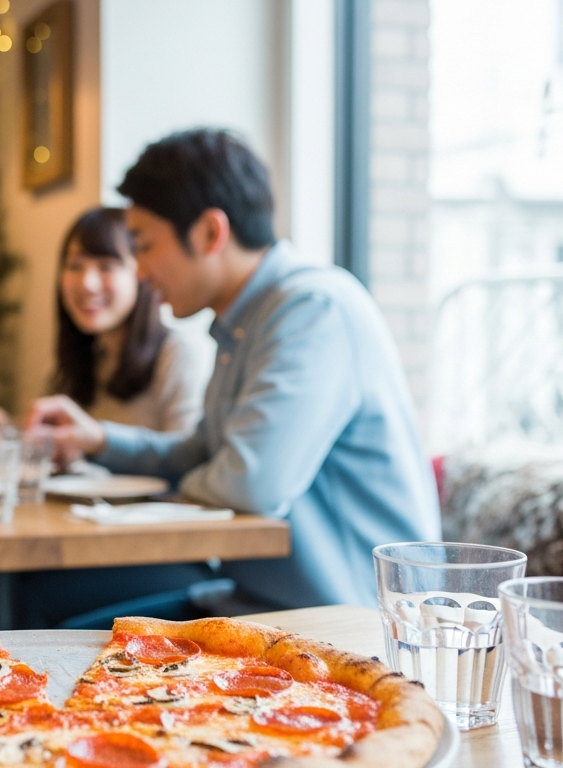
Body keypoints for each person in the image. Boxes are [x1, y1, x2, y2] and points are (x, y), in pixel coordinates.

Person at [30, 129, 441, 611]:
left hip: (348, 622)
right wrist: (98, 441)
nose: (140, 272)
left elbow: (249, 484)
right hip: (255, 602)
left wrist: (174, 488)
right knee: (44, 624)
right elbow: (199, 453)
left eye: (143, 245)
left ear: (210, 233)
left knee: (51, 633)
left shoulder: (313, 310)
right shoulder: (244, 323)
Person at [0, 206, 213, 438]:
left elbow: (187, 467)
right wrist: (4, 431)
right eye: (75, 265)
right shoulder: (84, 356)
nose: (87, 284)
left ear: (142, 272)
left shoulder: (180, 354)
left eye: (107, 266)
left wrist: (98, 443)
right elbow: (62, 450)